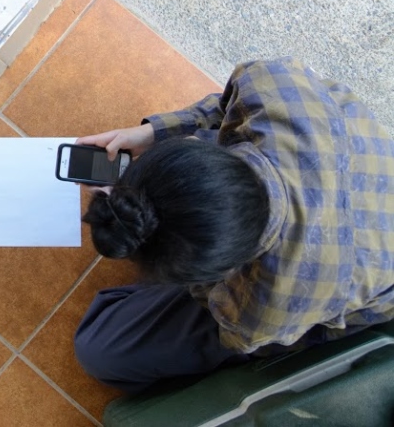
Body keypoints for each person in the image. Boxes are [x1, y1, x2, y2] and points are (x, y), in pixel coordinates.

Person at [72, 58, 394, 393]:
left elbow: (237, 333)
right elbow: (225, 108)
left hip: (331, 287)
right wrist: (152, 134)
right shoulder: (271, 86)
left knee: (101, 352)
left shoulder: (268, 306)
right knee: (105, 346)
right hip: (362, 204)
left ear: (220, 272)